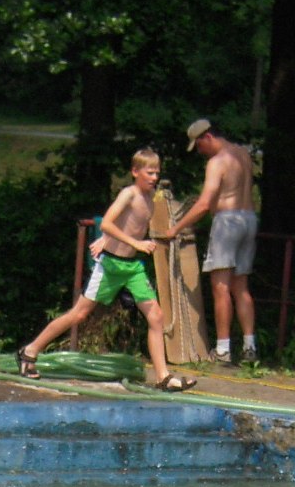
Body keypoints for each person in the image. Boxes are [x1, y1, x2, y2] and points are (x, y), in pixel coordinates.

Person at [15, 148, 199, 392]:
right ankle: (29, 352)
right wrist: (130, 243)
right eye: (149, 173)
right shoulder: (128, 194)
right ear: (135, 172)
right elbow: (109, 222)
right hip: (111, 266)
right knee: (79, 315)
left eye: (157, 173)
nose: (154, 178)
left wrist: (112, 239)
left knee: (156, 316)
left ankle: (162, 376)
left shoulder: (151, 197)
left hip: (132, 267)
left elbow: (127, 225)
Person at [165, 119, 260, 364]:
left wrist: (175, 228)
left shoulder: (217, 162)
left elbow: (205, 204)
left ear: (207, 137)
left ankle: (223, 349)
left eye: (199, 145)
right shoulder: (243, 154)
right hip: (249, 219)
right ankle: (250, 346)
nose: (199, 151)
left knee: (220, 287)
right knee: (241, 287)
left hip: (227, 222)